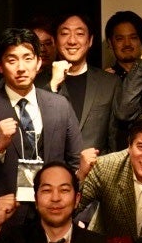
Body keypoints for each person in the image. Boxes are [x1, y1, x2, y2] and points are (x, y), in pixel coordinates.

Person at [0, 27, 81, 238]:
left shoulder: (60, 105)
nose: (21, 68)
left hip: (53, 215)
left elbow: (75, 161)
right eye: (12, 60)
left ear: (39, 62)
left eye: (28, 58)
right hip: (4, 218)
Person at [79, 113, 142, 238]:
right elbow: (70, 208)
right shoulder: (105, 167)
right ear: (129, 145)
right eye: (141, 147)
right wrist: (81, 175)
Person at [50, 11, 122, 155]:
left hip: (97, 167)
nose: (72, 41)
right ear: (54, 41)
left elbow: (114, 138)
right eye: (64, 34)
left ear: (90, 41)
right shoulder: (38, 83)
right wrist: (52, 85)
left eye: (80, 34)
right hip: (54, 167)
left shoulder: (109, 83)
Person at [104, 10, 142, 76]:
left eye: (133, 38)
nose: (127, 44)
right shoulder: (105, 78)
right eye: (120, 39)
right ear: (110, 43)